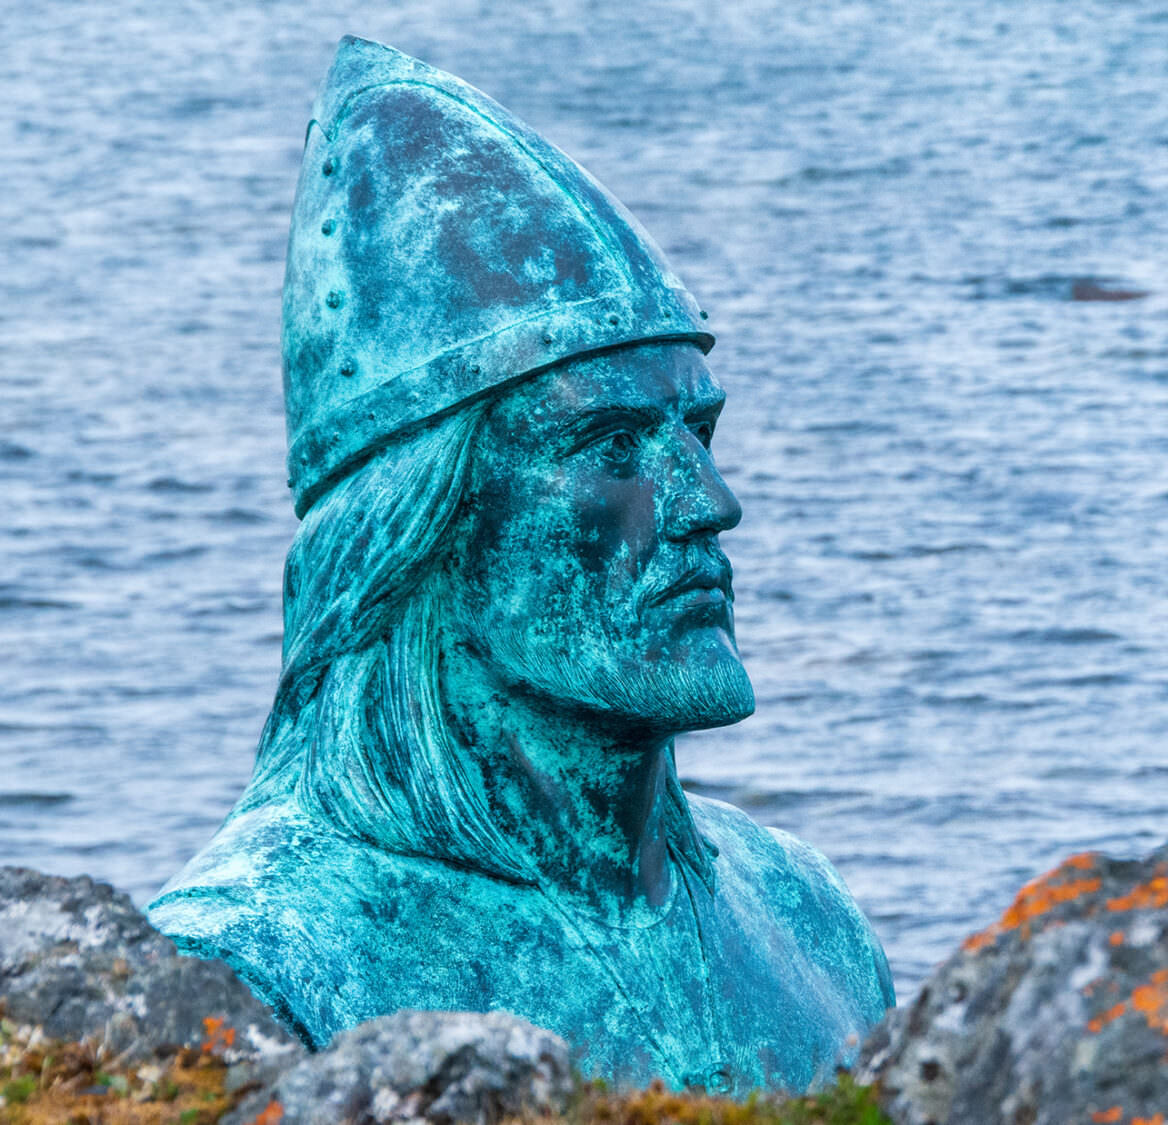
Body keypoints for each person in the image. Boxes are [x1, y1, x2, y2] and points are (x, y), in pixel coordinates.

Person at [147, 36, 893, 1093]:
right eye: (610, 449)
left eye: (699, 436)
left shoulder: (803, 913)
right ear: (421, 527)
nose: (709, 506)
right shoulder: (251, 973)